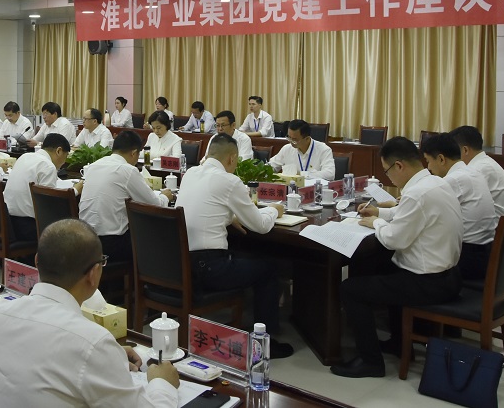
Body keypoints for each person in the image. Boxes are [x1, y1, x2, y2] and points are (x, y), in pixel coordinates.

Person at [0, 219, 179, 408]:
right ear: (94, 273)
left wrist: (110, 357)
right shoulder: (92, 342)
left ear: (36, 261)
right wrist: (163, 383)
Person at [332, 137, 462, 378]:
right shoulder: (435, 182)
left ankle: (371, 362)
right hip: (449, 276)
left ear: (399, 166)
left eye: (387, 171)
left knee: (350, 289)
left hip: (429, 282)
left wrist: (376, 222)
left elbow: (394, 240)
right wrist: (380, 212)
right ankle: (398, 342)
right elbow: (408, 213)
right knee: (378, 266)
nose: (389, 178)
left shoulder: (417, 193)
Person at [176, 134, 292, 358]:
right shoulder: (229, 181)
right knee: (268, 269)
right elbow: (260, 226)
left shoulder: (190, 173)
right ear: (232, 158)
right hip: (209, 269)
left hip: (183, 265)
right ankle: (265, 343)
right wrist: (274, 210)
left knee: (246, 256)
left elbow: (207, 206)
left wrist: (229, 217)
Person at [79, 130, 173, 263]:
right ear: (134, 153)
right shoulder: (127, 170)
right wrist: (165, 197)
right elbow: (155, 205)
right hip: (111, 244)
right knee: (158, 238)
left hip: (84, 240)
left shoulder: (94, 166)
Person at [421, 133, 497, 281]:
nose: (428, 167)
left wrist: (383, 212)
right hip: (485, 252)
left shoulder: (454, 179)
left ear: (441, 159)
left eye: (428, 161)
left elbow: (423, 210)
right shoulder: (471, 172)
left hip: (468, 259)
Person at [4, 134, 73, 243]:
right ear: (59, 151)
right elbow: (47, 209)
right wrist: (75, 191)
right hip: (28, 228)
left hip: (8, 223)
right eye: (66, 156)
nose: (64, 162)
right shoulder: (48, 166)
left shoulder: (24, 157)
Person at [450, 125, 504, 217]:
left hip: (496, 223)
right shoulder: (485, 162)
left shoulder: (477, 169)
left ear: (465, 150)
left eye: (454, 152)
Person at [268, 119, 334, 180]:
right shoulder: (287, 149)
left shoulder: (324, 150)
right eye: (289, 137)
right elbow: (272, 166)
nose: (291, 142)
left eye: (294, 140)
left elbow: (329, 174)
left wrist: (302, 175)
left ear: (307, 139)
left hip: (313, 187)